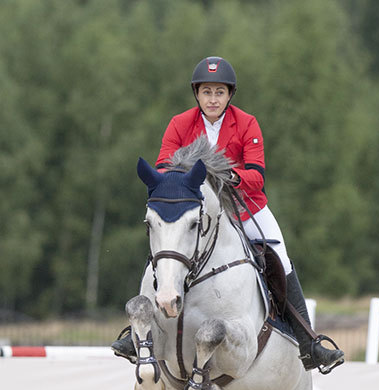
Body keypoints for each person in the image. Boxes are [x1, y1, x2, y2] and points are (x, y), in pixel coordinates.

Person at [112, 56, 344, 373]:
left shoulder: (247, 123)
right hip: (196, 207)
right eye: (207, 92)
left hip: (243, 205)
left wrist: (229, 176)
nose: (212, 99)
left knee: (280, 254)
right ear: (197, 93)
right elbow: (165, 167)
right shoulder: (180, 123)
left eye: (219, 92)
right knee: (168, 245)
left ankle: (308, 342)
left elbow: (257, 176)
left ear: (229, 95)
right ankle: (137, 333)